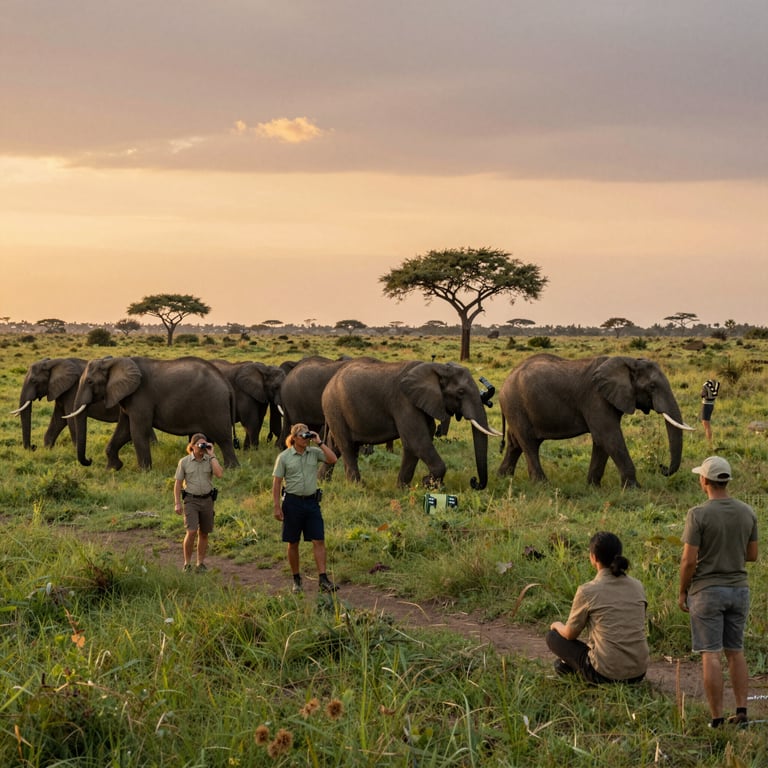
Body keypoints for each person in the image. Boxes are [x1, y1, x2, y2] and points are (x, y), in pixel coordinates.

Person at [678, 455, 758, 728]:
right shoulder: (747, 511)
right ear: (727, 481)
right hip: (739, 590)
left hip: (706, 590)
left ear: (704, 481)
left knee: (710, 653)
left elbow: (688, 561)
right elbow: (752, 555)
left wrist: (682, 591)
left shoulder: (698, 514)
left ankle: (717, 719)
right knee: (735, 651)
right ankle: (742, 712)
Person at [546, 531, 649, 684]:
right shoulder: (637, 585)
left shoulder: (587, 591)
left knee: (553, 637)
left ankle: (579, 673)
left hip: (605, 674)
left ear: (593, 557)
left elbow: (569, 635)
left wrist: (556, 625)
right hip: (638, 673)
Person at [272, 423, 339, 594]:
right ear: (293, 438)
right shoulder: (284, 457)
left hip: (311, 502)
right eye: (302, 435)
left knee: (319, 540)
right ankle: (296, 579)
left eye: (307, 435)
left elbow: (333, 459)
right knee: (293, 542)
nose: (305, 438)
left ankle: (323, 579)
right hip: (292, 503)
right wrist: (277, 507)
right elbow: (277, 482)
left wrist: (319, 441)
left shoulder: (314, 452)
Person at [174, 433, 223, 573]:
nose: (202, 447)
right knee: (192, 531)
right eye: (200, 445)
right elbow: (177, 484)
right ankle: (187, 564)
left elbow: (219, 474)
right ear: (192, 446)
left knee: (204, 533)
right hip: (191, 500)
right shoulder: (184, 462)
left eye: (204, 444)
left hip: (207, 500)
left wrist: (212, 454)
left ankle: (200, 563)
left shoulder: (209, 460)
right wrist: (177, 503)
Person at [699, 379, 720, 445]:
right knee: (706, 424)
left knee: (706, 424)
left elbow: (702, 395)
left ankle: (709, 442)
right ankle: (709, 440)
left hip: (706, 405)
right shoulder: (716, 384)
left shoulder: (706, 385)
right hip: (711, 404)